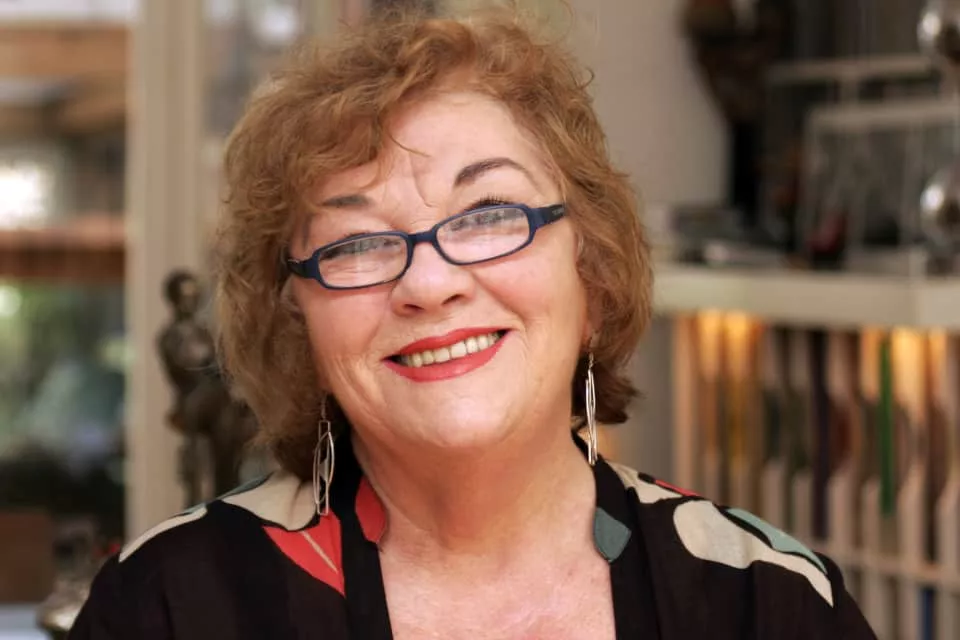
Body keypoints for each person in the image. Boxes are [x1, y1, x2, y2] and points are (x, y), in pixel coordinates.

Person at [70, 7, 876, 639]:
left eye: (489, 215)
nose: (428, 283)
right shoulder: (171, 607)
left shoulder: (766, 603)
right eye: (357, 243)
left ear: (592, 272)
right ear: (297, 318)